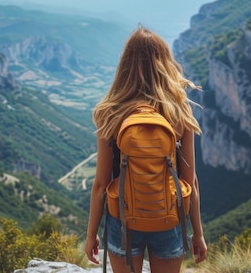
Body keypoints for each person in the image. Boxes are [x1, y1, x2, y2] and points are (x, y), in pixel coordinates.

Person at [84, 26, 207, 273]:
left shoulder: (109, 112)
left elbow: (100, 184)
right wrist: (197, 234)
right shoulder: (180, 111)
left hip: (122, 220)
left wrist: (91, 235)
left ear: (125, 65)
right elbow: (189, 181)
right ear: (165, 63)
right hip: (169, 218)